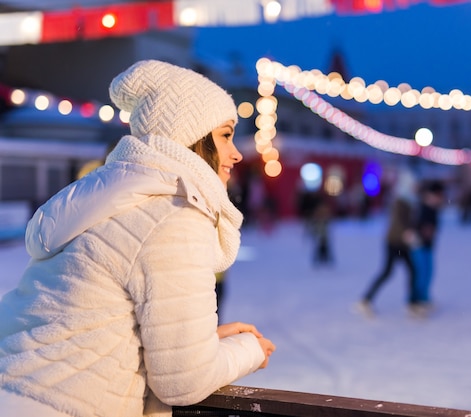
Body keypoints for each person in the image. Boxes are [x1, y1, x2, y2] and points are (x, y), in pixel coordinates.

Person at [0, 60, 275, 417]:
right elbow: (185, 382)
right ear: (189, 138)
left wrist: (195, 344)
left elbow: (90, 324)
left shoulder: (109, 200)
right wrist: (249, 349)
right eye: (225, 134)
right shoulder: (173, 218)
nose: (236, 153)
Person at [356, 170, 418, 317]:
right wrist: (408, 233)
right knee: (388, 272)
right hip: (394, 243)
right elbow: (399, 222)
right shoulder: (400, 201)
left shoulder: (408, 199)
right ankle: (366, 300)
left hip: (401, 243)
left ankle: (412, 302)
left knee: (411, 271)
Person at [409, 180, 446, 317]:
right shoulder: (421, 207)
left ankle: (424, 299)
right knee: (420, 274)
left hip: (428, 245)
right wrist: (419, 233)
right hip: (418, 245)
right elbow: (413, 225)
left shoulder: (434, 208)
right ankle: (415, 302)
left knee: (428, 273)